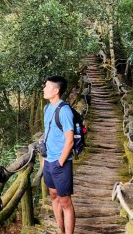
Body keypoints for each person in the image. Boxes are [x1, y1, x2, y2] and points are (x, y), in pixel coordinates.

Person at [41, 75, 75, 234]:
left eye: (47, 87)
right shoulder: (47, 108)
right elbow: (47, 133)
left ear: (56, 91)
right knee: (53, 195)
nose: (44, 89)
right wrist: (44, 159)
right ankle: (60, 229)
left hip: (60, 163)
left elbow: (70, 141)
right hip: (48, 161)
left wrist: (60, 161)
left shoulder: (65, 111)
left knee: (65, 202)